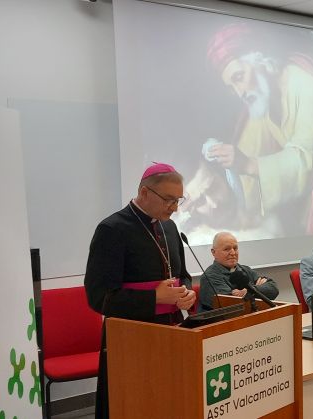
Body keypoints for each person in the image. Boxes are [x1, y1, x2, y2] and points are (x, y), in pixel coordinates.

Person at [182, 23, 313, 238]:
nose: (240, 92)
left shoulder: (303, 81)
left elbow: (306, 160)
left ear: (259, 60)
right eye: (232, 87)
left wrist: (248, 164)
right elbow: (248, 153)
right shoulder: (262, 99)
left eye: (239, 78)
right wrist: (221, 167)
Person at [84, 162, 196, 419]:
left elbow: (183, 276)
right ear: (145, 192)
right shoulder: (112, 229)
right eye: (169, 200)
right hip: (131, 339)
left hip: (173, 333)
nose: (175, 208)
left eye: (178, 200)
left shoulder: (170, 227)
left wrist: (187, 293)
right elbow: (99, 296)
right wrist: (155, 297)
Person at [198, 231, 279, 311]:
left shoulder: (245, 269)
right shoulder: (209, 277)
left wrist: (248, 291)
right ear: (213, 252)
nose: (233, 253)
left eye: (235, 248)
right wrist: (257, 290)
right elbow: (232, 304)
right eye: (226, 249)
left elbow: (273, 289)